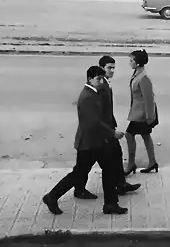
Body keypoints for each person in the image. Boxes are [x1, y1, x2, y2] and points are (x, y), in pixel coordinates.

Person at [42, 66, 127, 216]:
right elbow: (93, 123)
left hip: (97, 142)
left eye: (102, 78)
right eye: (97, 79)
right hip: (89, 144)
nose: (100, 81)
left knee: (109, 170)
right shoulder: (87, 96)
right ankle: (52, 196)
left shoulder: (94, 92)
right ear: (89, 79)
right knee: (79, 174)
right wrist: (112, 133)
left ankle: (111, 204)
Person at [98, 55, 141, 194]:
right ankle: (117, 188)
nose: (112, 71)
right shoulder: (101, 84)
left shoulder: (106, 82)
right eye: (109, 68)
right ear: (101, 68)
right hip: (103, 129)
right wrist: (109, 130)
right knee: (87, 163)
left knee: (116, 154)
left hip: (108, 125)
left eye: (113, 68)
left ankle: (121, 184)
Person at [124, 49, 159, 175]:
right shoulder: (137, 74)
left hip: (142, 115)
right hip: (138, 112)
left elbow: (149, 99)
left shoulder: (143, 78)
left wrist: (150, 117)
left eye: (131, 60)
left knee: (129, 135)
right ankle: (152, 162)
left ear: (138, 63)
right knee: (145, 136)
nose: (130, 62)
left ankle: (131, 164)